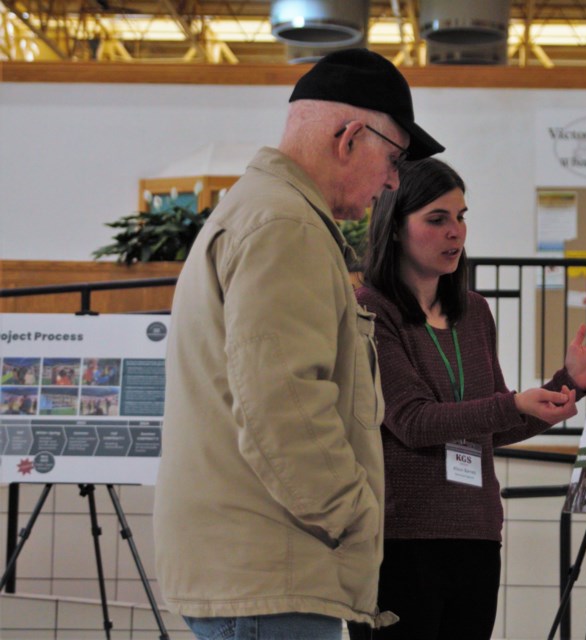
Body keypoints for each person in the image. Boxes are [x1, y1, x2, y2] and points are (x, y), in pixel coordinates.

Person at [153, 49, 444, 640]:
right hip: (269, 571)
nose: (392, 182)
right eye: (393, 159)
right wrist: (356, 517)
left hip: (253, 565)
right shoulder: (286, 226)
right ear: (348, 138)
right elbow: (285, 406)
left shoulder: (261, 211)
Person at [351, 158, 586, 640]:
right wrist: (515, 403)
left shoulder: (475, 313)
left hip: (477, 535)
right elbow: (412, 421)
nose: (455, 232)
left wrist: (573, 382)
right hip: (401, 540)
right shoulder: (371, 309)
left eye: (461, 217)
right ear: (395, 228)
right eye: (437, 219)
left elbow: (493, 424)